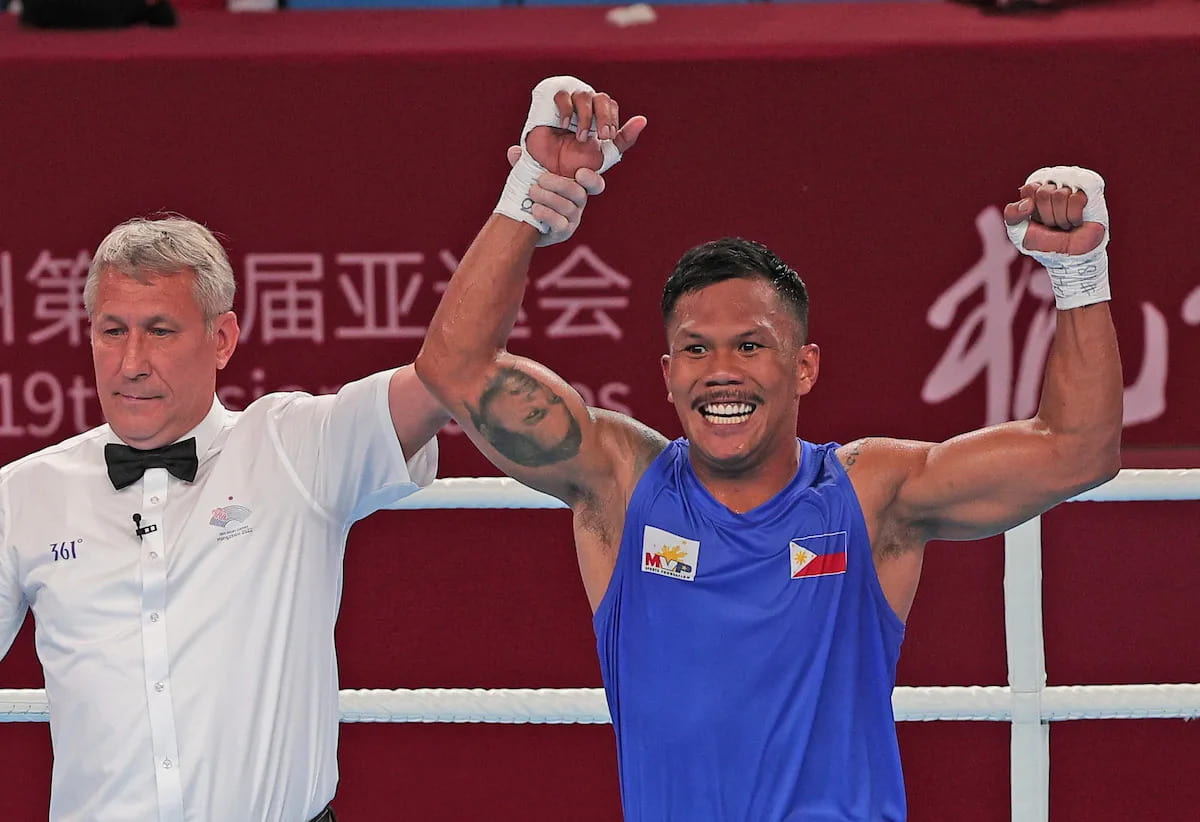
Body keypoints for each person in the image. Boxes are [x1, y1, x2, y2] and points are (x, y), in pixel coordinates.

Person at [414, 76, 1123, 821]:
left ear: (803, 367)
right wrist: (530, 193)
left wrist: (1079, 275)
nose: (721, 371)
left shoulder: (869, 494)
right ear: (667, 373)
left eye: (751, 346)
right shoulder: (621, 484)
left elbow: (1079, 451)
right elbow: (453, 371)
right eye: (696, 349)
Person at [0, 171, 592, 821]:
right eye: (113, 331)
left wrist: (525, 201)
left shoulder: (292, 448)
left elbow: (449, 369)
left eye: (160, 331)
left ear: (221, 340)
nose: (131, 361)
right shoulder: (26, 494)